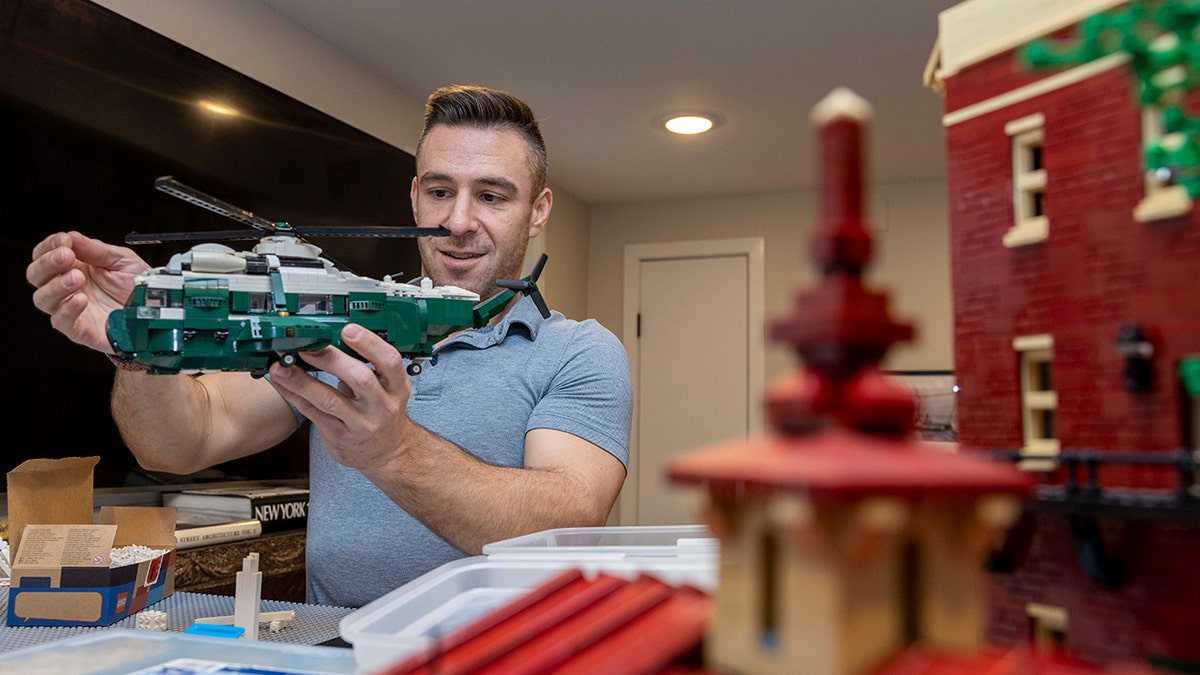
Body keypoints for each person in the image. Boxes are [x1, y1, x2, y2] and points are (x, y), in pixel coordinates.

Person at [26, 85, 633, 607]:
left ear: (537, 211)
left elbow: (566, 524)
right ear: (415, 195)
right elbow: (181, 442)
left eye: (493, 196)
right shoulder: (337, 323)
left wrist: (390, 450)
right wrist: (142, 338)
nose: (457, 221)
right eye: (441, 192)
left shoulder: (578, 352)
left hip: (507, 659)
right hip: (339, 649)